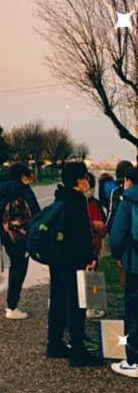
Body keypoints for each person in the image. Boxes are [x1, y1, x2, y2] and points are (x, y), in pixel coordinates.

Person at [46, 161, 102, 367]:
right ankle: (78, 352)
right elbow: (81, 234)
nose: (87, 181)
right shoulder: (77, 200)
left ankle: (54, 344)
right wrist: (90, 257)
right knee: (76, 304)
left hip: (58, 257)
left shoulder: (60, 196)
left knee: (58, 299)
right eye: (85, 177)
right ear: (79, 180)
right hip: (73, 259)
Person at [0, 163, 41, 319]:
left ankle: (12, 304)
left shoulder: (2, 191)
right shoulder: (24, 190)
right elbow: (36, 212)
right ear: (22, 176)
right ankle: (12, 306)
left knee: (15, 267)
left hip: (7, 237)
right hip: (22, 237)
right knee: (19, 270)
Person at [110, 165, 138, 378]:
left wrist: (118, 256)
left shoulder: (128, 201)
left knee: (133, 310)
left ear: (129, 180)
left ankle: (133, 360)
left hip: (135, 264)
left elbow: (117, 236)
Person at [85, 172, 108, 320]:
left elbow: (104, 225)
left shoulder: (94, 203)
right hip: (90, 246)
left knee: (89, 277)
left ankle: (90, 306)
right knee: (90, 276)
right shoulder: (92, 203)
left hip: (93, 246)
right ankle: (90, 307)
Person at [106, 160, 134, 234]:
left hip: (120, 234)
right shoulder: (135, 190)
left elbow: (112, 214)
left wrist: (108, 229)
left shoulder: (116, 191)